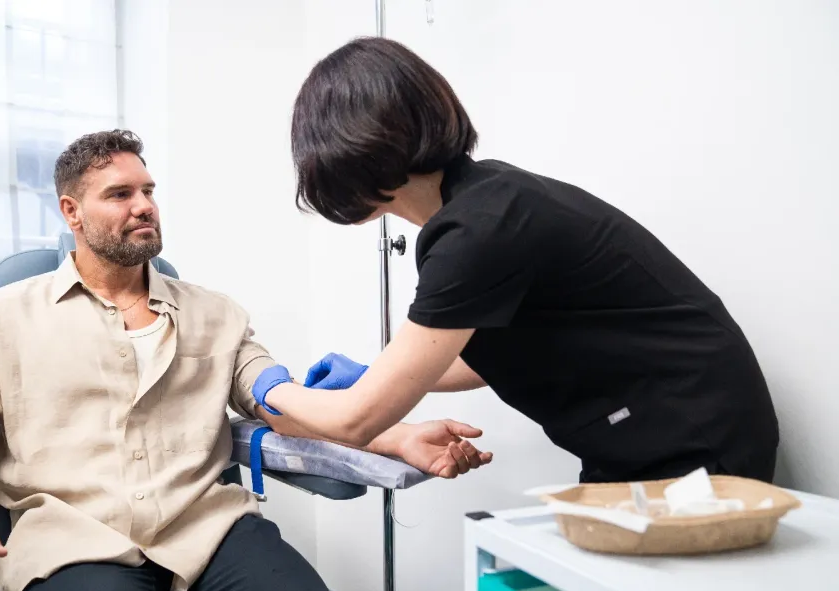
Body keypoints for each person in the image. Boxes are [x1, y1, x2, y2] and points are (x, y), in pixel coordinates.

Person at [0, 129, 492, 591]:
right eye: (120, 194)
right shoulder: (5, 318)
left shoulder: (215, 314)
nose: (144, 205)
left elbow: (281, 401)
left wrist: (397, 436)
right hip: (74, 543)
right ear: (72, 211)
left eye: (148, 190)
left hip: (207, 534)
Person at [253, 36, 779, 488]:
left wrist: (269, 387)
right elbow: (493, 353)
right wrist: (382, 374)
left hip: (690, 433)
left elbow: (355, 422)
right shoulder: (485, 199)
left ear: (352, 151)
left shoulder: (478, 231)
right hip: (657, 425)